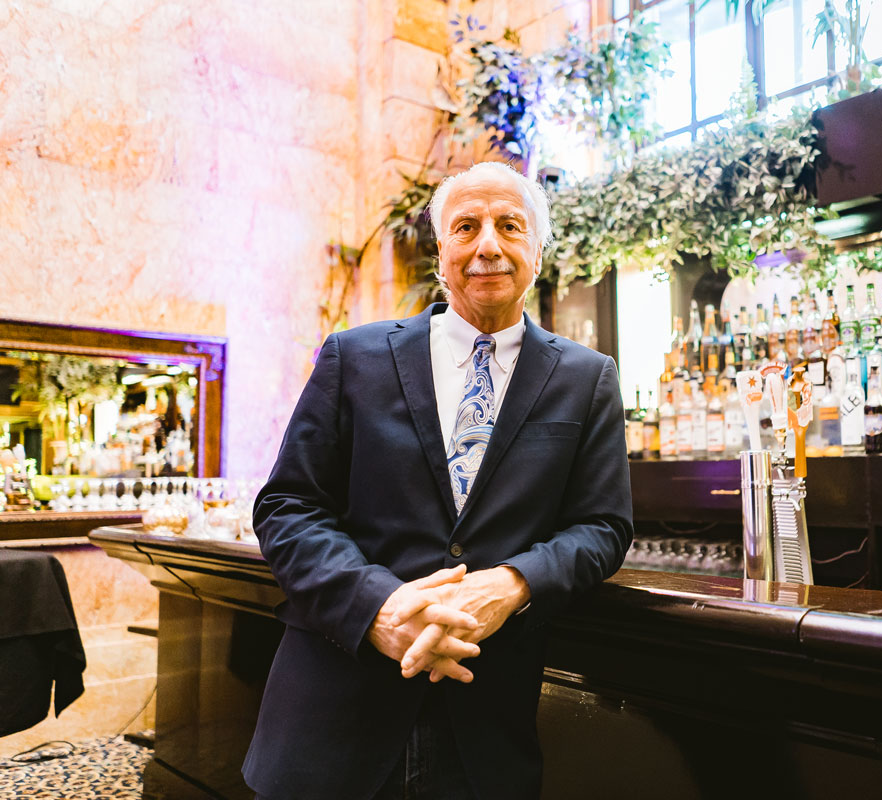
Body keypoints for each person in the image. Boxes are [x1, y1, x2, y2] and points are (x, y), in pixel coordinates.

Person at [242, 161, 633, 800]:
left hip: (483, 725)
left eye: (510, 225)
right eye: (466, 226)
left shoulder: (586, 379)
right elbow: (288, 506)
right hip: (333, 713)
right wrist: (377, 607)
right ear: (441, 248)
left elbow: (603, 526)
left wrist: (513, 583)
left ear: (538, 249)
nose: (488, 244)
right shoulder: (353, 357)